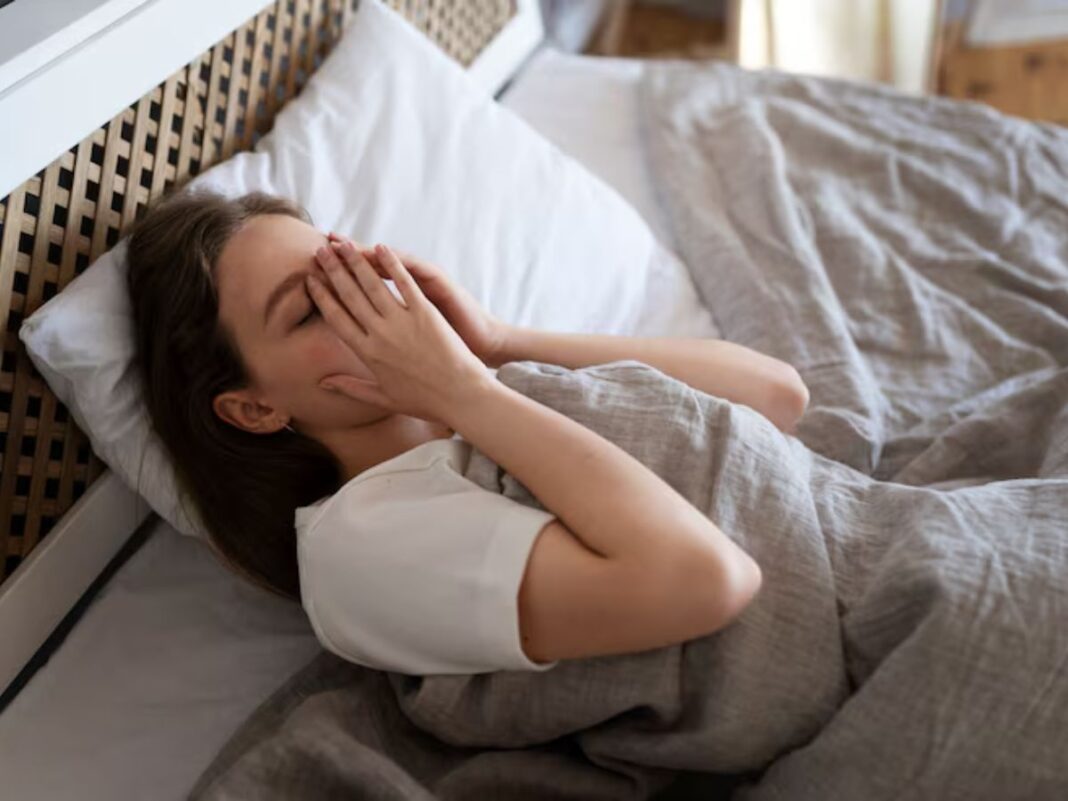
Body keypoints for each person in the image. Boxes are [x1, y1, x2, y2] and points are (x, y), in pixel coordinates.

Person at [126, 187, 805, 675]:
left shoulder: (489, 394)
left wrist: (498, 344)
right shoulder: (358, 544)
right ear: (254, 409)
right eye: (312, 308)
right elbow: (706, 581)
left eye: (352, 273)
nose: (368, 302)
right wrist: (465, 390)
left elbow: (776, 396)